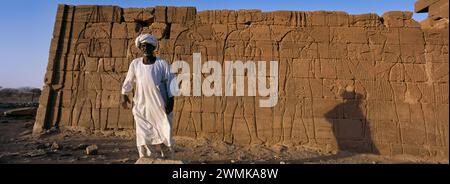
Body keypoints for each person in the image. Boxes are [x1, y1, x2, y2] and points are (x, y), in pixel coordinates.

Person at [121, 34, 175, 159]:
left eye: (148, 46)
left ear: (153, 47)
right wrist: (124, 95)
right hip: (141, 106)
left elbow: (171, 83)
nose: (145, 48)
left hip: (159, 105)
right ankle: (146, 158)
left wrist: (171, 101)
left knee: (164, 131)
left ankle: (168, 159)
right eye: (143, 46)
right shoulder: (135, 64)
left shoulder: (162, 64)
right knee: (143, 134)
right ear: (140, 47)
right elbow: (129, 81)